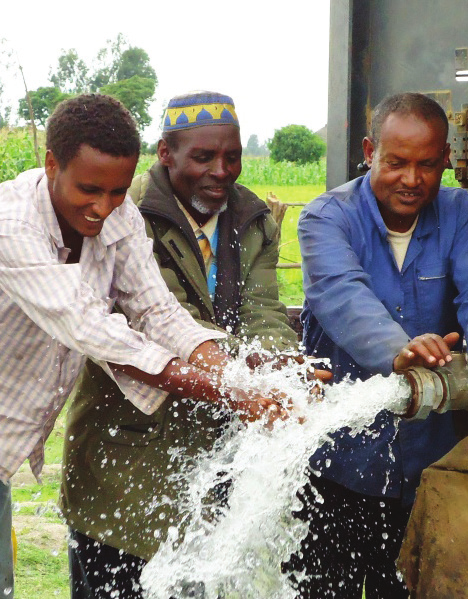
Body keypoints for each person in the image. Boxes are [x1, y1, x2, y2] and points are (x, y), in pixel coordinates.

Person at [0, 93, 287, 599]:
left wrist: (236, 377)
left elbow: (157, 312)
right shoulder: (13, 226)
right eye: (89, 190)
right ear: (50, 164)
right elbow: (94, 328)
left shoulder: (122, 215)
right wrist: (227, 392)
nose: (102, 207)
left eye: (115, 192)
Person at [291, 92, 468, 598]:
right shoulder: (326, 218)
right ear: (369, 151)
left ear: (446, 159)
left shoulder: (460, 212)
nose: (411, 179)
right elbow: (342, 296)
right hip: (335, 468)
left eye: (427, 164)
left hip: (427, 470)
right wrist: (397, 349)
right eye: (396, 162)